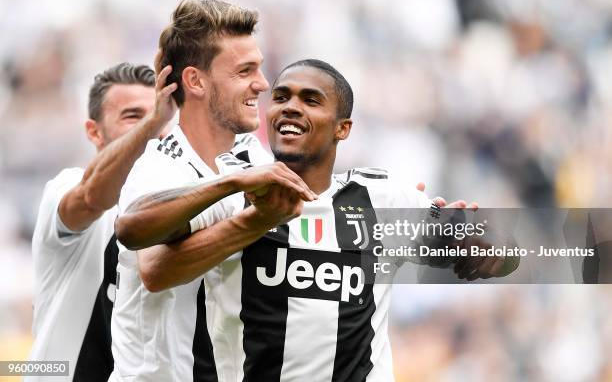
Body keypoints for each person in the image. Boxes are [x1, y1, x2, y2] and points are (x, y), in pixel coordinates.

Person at [115, 59, 517, 381]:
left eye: (311, 100)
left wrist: (485, 247)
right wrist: (235, 195)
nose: (291, 106)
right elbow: (137, 238)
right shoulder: (233, 191)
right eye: (282, 97)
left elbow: (500, 249)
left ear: (343, 128)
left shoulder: (381, 200)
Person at [108, 0, 316, 382]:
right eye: (244, 71)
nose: (263, 83)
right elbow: (150, 263)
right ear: (196, 81)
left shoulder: (252, 156)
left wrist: (436, 230)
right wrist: (238, 195)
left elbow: (317, 222)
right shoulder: (161, 165)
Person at [28, 62, 176, 382]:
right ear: (94, 131)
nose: (156, 128)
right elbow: (91, 198)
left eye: (161, 117)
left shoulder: (177, 209)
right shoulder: (65, 187)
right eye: (134, 116)